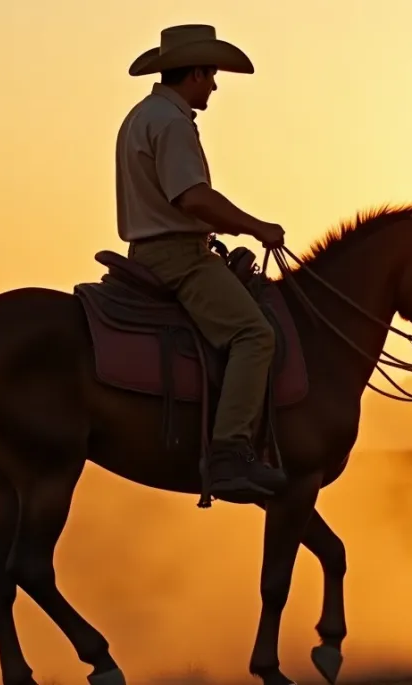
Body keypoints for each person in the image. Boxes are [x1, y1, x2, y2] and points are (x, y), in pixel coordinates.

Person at [116, 24, 289, 503]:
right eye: (211, 75)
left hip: (150, 251)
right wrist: (258, 227)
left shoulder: (140, 116)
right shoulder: (171, 123)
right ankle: (228, 453)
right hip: (180, 258)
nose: (213, 85)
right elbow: (193, 197)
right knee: (255, 335)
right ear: (194, 73)